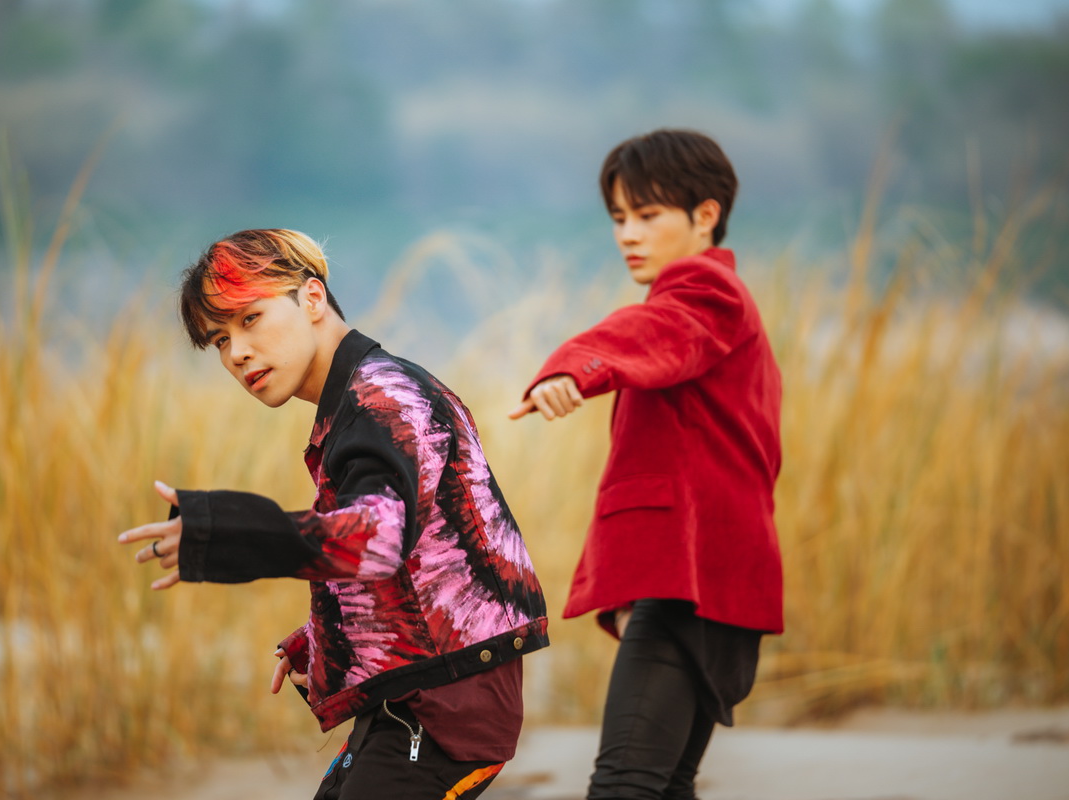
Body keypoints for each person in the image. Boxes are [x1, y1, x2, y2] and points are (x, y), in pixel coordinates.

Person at [118, 228, 549, 800]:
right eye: (219, 339)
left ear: (313, 298)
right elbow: (427, 555)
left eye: (250, 319)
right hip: (413, 695)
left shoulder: (384, 399)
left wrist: (228, 531)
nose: (236, 352)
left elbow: (379, 536)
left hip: (443, 707)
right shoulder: (354, 402)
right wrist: (329, 636)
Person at [509, 129, 784, 800]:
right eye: (618, 217)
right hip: (711, 583)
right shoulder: (719, 307)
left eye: (648, 214)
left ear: (706, 215)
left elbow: (650, 334)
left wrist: (573, 368)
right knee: (663, 787)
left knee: (625, 786)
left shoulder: (707, 291)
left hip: (689, 581)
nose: (628, 234)